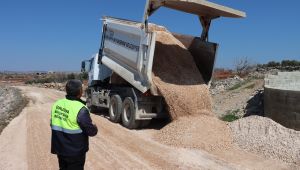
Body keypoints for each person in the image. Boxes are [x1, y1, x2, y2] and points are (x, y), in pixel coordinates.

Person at [50, 79, 98, 170]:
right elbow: (91, 131)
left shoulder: (57, 104)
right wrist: (95, 128)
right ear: (80, 92)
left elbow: (52, 123)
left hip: (60, 148)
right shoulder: (80, 109)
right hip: (75, 152)